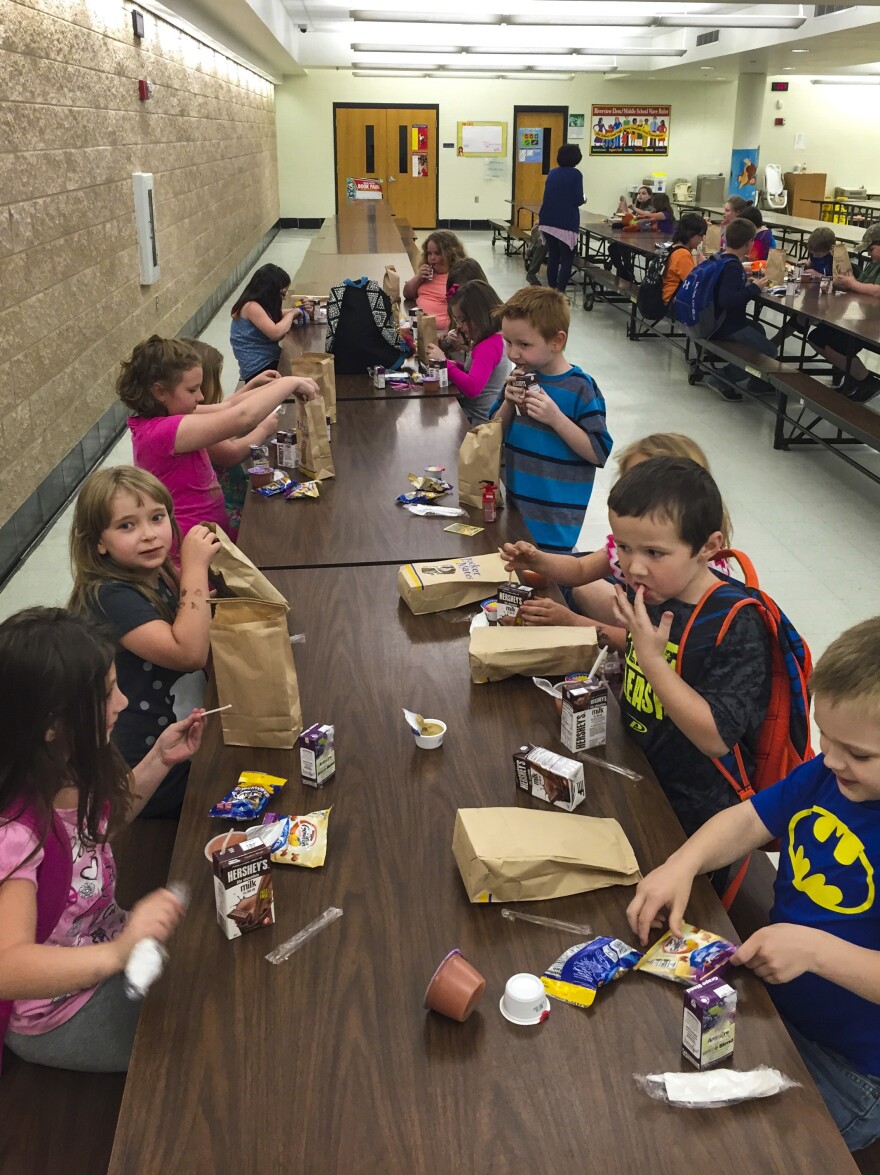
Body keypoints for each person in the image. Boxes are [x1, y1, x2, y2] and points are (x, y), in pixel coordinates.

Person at [626, 616, 880, 1153]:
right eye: (823, 737)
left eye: (858, 754)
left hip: (850, 1067)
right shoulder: (827, 776)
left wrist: (814, 950)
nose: (831, 760)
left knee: (732, 1151)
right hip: (770, 1001)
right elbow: (747, 821)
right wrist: (682, 863)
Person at [0, 608, 199, 1072]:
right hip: (58, 1011)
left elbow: (98, 830)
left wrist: (158, 760)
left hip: (110, 947)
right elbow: (7, 966)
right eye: (107, 693)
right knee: (195, 1046)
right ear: (51, 723)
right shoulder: (16, 833)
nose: (123, 703)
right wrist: (118, 951)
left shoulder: (70, 762)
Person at [69, 467, 217, 818]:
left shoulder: (153, 572)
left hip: (185, 735)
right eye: (126, 525)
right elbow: (189, 653)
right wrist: (195, 569)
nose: (149, 535)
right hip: (152, 768)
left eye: (156, 517)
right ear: (98, 542)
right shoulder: (108, 597)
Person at [502, 433, 731, 637]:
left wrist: (572, 622)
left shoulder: (699, 586)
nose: (635, 568)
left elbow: (642, 645)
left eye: (654, 552)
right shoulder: (633, 547)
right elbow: (580, 570)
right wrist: (538, 560)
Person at [117, 336, 318, 547]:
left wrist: (270, 387)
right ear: (159, 392)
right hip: (192, 544)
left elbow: (225, 408)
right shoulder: (163, 432)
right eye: (192, 390)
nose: (201, 396)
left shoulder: (166, 417)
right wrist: (289, 382)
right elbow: (242, 417)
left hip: (209, 532)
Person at [489, 287, 612, 554]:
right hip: (515, 510)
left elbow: (599, 452)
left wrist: (556, 419)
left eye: (524, 344)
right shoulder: (518, 378)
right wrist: (508, 403)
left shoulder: (581, 389)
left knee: (549, 585)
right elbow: (489, 434)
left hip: (556, 522)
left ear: (556, 341)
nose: (513, 353)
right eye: (508, 342)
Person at [180, 338, 282, 538]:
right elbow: (231, 453)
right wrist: (263, 429)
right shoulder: (194, 423)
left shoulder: (196, 412)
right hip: (224, 506)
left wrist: (251, 386)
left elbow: (226, 407)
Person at [704, 217, 775, 403]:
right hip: (725, 325)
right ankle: (721, 378)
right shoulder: (733, 267)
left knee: (758, 329)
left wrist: (745, 284)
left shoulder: (719, 257)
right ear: (749, 243)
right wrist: (753, 289)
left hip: (712, 318)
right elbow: (728, 300)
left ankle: (757, 382)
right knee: (769, 352)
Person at [810, 223, 880, 403]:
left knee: (838, 344)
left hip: (874, 323)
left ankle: (867, 381)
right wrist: (840, 266)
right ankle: (853, 374)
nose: (869, 254)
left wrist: (853, 284)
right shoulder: (873, 264)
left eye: (871, 249)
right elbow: (858, 286)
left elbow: (876, 291)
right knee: (818, 337)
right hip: (861, 316)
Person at [425, 280, 511, 425]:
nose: (458, 326)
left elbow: (472, 388)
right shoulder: (494, 340)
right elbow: (478, 373)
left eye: (461, 320)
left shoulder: (487, 347)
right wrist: (456, 366)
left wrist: (444, 363)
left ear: (479, 315)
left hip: (478, 421)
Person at [229, 264, 300, 383]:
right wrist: (292, 314)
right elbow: (276, 333)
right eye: (282, 294)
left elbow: (276, 316)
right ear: (270, 291)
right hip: (259, 369)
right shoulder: (250, 306)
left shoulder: (257, 305)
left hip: (267, 361)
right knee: (302, 373)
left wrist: (298, 310)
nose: (283, 299)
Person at [537, 143, 586, 293]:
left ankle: (551, 290)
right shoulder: (576, 174)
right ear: (577, 158)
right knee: (566, 259)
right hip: (565, 222)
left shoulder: (552, 173)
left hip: (547, 220)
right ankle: (560, 293)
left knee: (553, 256)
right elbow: (578, 199)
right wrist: (584, 198)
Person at [402, 231, 467, 331]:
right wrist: (418, 278)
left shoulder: (458, 277)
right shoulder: (428, 273)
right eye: (429, 253)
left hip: (442, 332)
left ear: (450, 254)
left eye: (437, 253)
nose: (432, 258)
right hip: (418, 326)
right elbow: (407, 294)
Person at [661, 213, 709, 306]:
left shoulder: (673, 247)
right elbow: (694, 283)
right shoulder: (683, 254)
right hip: (672, 300)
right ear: (691, 234)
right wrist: (703, 266)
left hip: (665, 294)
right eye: (701, 235)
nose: (702, 240)